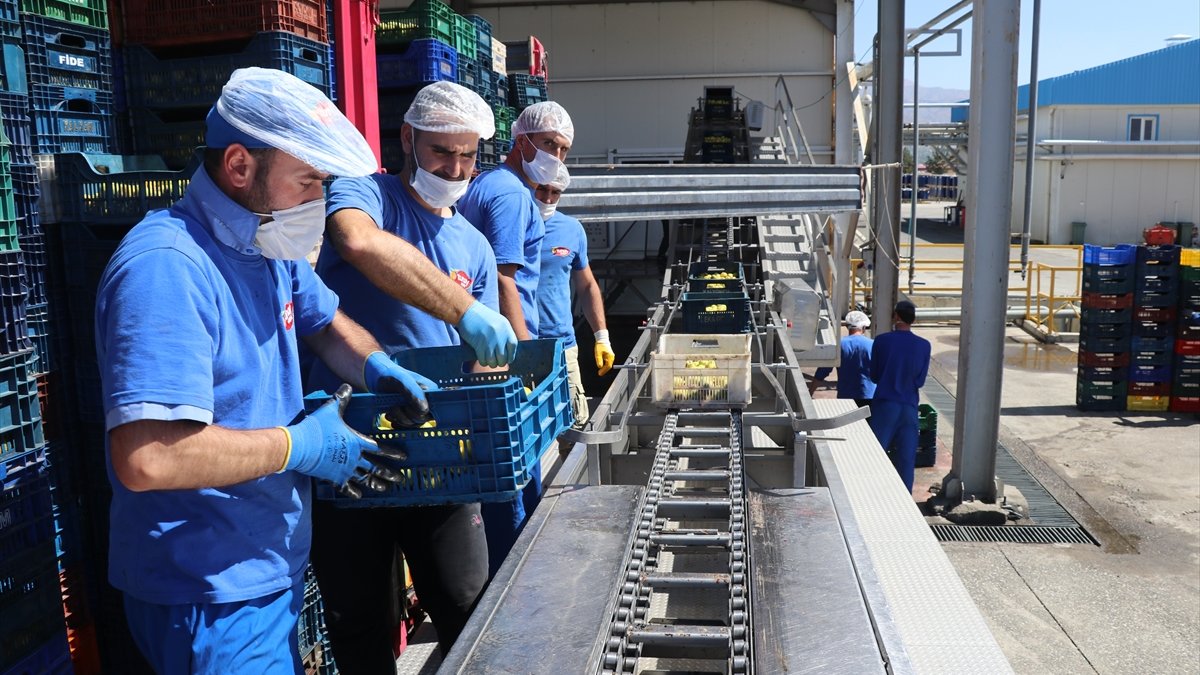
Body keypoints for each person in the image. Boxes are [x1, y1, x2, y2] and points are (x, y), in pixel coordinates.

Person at [93, 68, 440, 674]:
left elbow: (325, 322)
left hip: (261, 565)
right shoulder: (168, 268)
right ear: (238, 166)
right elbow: (147, 456)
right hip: (207, 589)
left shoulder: (263, 243)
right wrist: (295, 445)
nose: (319, 203)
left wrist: (377, 365)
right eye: (308, 182)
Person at [307, 81, 498, 669]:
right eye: (442, 151)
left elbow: (480, 367)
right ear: (408, 138)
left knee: (468, 605)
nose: (456, 167)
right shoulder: (369, 194)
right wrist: (462, 309)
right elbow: (357, 241)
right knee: (359, 618)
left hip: (437, 456)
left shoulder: (475, 247)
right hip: (349, 447)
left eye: (468, 155)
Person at [458, 101, 575, 576]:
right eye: (550, 145)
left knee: (509, 471)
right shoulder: (510, 195)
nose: (557, 158)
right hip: (498, 356)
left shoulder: (491, 185)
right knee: (509, 477)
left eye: (564, 150)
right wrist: (524, 356)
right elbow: (505, 281)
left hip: (487, 350)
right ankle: (512, 586)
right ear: (522, 141)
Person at [532, 163, 615, 447]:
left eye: (556, 192)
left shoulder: (570, 229)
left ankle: (569, 490)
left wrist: (601, 337)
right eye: (542, 189)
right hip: (516, 347)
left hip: (562, 347)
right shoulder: (507, 226)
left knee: (574, 429)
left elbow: (587, 284)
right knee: (525, 434)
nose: (548, 198)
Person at [868, 300, 932, 492]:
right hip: (909, 407)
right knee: (906, 459)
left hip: (885, 405)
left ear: (896, 316)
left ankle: (872, 494)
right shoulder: (924, 345)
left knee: (876, 454)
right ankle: (906, 501)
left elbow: (875, 376)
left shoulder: (881, 341)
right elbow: (920, 382)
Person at [810, 310, 875, 406]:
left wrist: (810, 392)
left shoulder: (839, 345)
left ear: (847, 326)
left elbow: (822, 371)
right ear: (864, 328)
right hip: (869, 395)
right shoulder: (872, 345)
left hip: (845, 397)